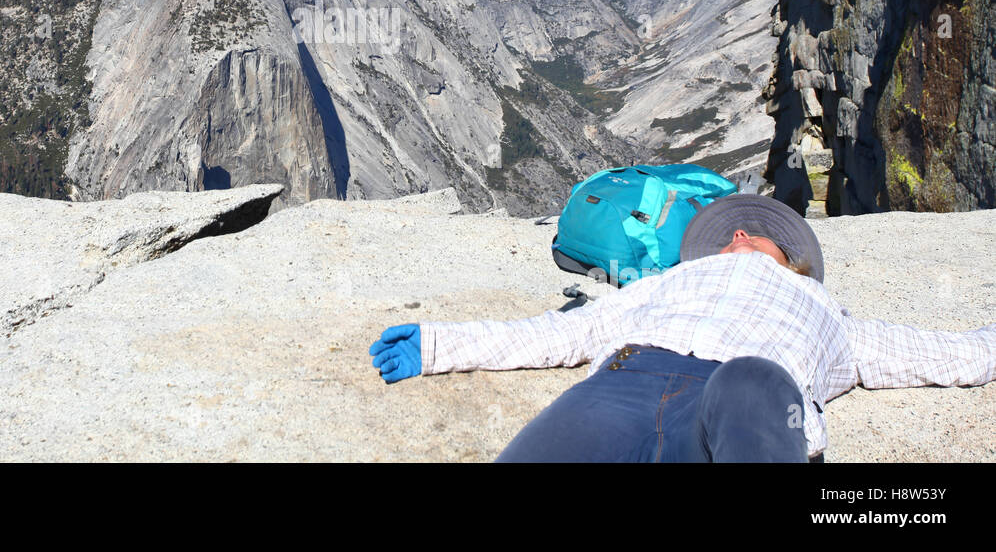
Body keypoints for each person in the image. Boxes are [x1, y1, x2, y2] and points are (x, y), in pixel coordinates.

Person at [369, 194, 996, 462]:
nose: (740, 238)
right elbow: (559, 334)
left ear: (780, 252)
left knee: (752, 384)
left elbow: (936, 354)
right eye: (735, 235)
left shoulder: (825, 307)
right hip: (624, 377)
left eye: (754, 236)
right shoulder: (658, 284)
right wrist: (440, 344)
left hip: (745, 389)